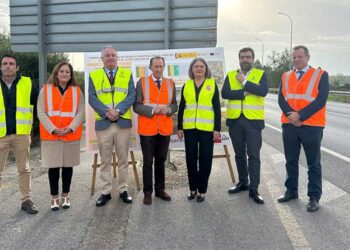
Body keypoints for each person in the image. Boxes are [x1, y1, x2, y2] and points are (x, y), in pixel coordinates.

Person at [277, 45, 329, 212]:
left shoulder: (320, 75)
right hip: (290, 125)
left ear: (307, 57)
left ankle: (314, 197)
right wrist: (292, 116)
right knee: (290, 160)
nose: (296, 60)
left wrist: (300, 115)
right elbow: (281, 99)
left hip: (312, 126)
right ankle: (291, 191)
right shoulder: (285, 75)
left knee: (313, 163)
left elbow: (321, 100)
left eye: (300, 56)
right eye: (294, 57)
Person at [89, 45, 136, 206]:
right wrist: (107, 112)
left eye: (113, 55)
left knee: (123, 159)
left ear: (117, 58)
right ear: (102, 59)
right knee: (105, 160)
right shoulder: (94, 75)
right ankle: (105, 192)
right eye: (107, 55)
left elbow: (131, 95)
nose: (110, 58)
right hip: (104, 123)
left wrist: (118, 110)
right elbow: (92, 97)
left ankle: (123, 190)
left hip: (122, 123)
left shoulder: (127, 74)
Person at [222, 47, 268, 205]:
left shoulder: (260, 74)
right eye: (242, 57)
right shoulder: (230, 75)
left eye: (248, 57)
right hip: (235, 121)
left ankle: (254, 189)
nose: (245, 60)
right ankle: (243, 182)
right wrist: (243, 93)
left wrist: (245, 83)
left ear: (253, 58)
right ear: (239, 58)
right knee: (239, 154)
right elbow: (225, 93)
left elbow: (262, 91)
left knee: (254, 156)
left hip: (253, 122)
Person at [37, 62, 84, 211]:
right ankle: (54, 198)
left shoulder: (77, 91)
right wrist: (53, 129)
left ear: (71, 75)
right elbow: (41, 111)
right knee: (54, 168)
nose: (64, 74)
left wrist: (70, 128)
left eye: (67, 72)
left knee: (68, 167)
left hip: (70, 135)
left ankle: (65, 195)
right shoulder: (46, 90)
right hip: (52, 136)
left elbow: (80, 111)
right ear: (56, 73)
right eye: (62, 71)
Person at [133, 56, 178, 205]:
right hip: (147, 130)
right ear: (150, 68)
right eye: (156, 66)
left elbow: (174, 105)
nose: (158, 69)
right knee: (147, 162)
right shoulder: (142, 82)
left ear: (164, 67)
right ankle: (147, 192)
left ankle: (160, 190)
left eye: (161, 66)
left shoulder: (170, 83)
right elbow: (136, 106)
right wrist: (153, 110)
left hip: (164, 129)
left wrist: (168, 110)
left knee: (161, 161)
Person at [177, 57, 221, 202]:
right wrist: (180, 127)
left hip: (207, 129)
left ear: (205, 69)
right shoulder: (187, 85)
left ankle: (202, 190)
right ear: (192, 69)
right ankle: (192, 189)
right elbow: (182, 107)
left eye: (202, 66)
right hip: (190, 129)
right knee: (190, 159)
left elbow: (216, 107)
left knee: (205, 159)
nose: (199, 69)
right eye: (196, 66)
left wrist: (217, 129)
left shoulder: (212, 84)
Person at [0, 54, 39, 214]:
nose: (8, 66)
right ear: (1, 67)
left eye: (11, 64)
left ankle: (26, 200)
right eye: (5, 63)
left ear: (17, 68)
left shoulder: (28, 83)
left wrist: (36, 131)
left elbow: (37, 107)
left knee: (24, 168)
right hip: (0, 135)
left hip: (21, 134)